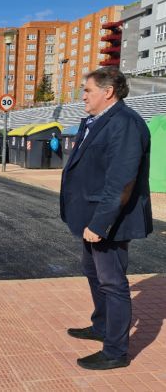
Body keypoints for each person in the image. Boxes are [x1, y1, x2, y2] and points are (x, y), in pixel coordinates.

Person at [60, 67, 153, 370]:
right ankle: (101, 326)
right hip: (92, 215)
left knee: (113, 282)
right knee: (91, 269)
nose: (83, 96)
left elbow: (121, 182)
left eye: (87, 91)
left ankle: (115, 351)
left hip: (110, 220)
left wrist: (100, 224)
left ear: (108, 91)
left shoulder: (125, 124)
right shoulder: (99, 121)